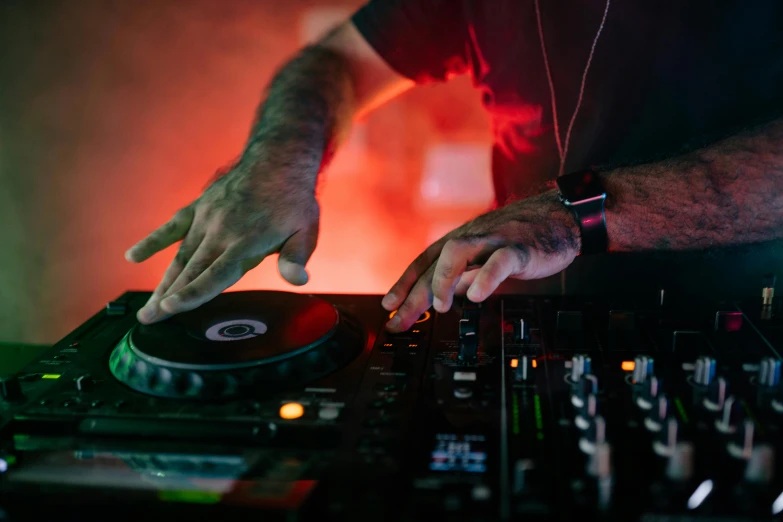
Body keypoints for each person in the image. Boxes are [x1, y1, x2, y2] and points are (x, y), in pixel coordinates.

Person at [125, 0, 783, 334]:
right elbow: (335, 63)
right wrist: (277, 158)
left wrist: (567, 215)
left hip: (741, 326)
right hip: (529, 326)